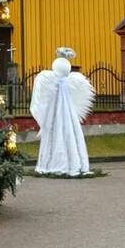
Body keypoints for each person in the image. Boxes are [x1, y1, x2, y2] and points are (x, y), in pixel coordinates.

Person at [30, 48, 95, 176]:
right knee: (70, 130)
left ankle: (51, 163)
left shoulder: (47, 78)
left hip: (57, 108)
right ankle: (73, 162)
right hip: (66, 108)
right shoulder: (69, 80)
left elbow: (39, 100)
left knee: (58, 130)